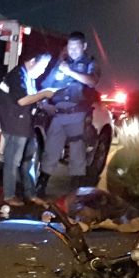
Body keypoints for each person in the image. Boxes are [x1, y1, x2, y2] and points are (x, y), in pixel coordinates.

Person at [38, 31, 100, 195]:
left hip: (77, 113)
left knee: (77, 153)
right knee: (51, 151)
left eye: (76, 47)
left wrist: (70, 72)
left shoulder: (89, 64)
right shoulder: (61, 63)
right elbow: (46, 86)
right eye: (70, 47)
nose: (72, 50)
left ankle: (76, 192)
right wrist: (44, 103)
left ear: (84, 46)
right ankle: (41, 187)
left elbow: (92, 81)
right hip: (58, 114)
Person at [0, 51, 55, 206]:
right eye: (42, 66)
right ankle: (9, 196)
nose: (43, 71)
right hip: (15, 125)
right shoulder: (16, 76)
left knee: (28, 161)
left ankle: (30, 194)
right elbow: (22, 101)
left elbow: (31, 98)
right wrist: (44, 94)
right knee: (12, 161)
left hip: (26, 125)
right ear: (31, 61)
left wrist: (42, 102)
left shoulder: (29, 77)